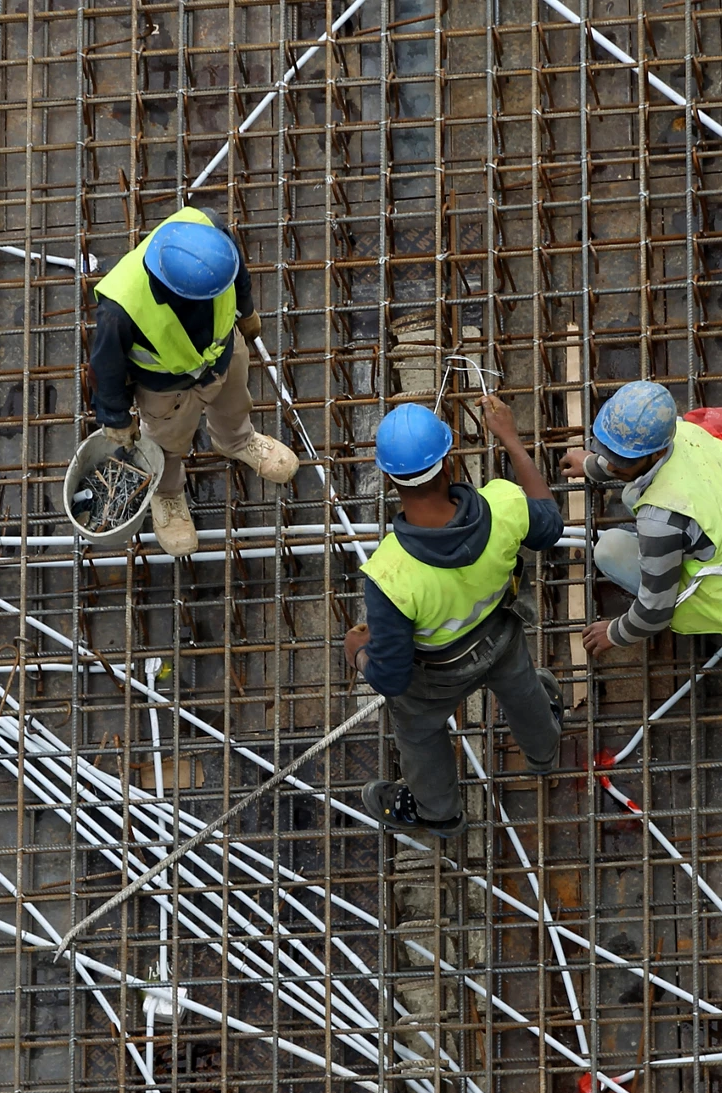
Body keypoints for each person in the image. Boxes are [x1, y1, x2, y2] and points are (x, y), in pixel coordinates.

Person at [343, 396, 566, 837]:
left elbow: (389, 677)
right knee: (524, 689)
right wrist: (512, 441)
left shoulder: (389, 575)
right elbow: (550, 523)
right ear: (448, 462)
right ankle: (545, 754)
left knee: (420, 733)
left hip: (435, 675)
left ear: (388, 478)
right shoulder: (503, 502)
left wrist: (358, 655)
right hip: (501, 637)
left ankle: (440, 814)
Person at [89, 207, 298, 557]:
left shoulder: (209, 229)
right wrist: (116, 418)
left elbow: (237, 272)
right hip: (166, 388)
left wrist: (245, 311)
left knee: (234, 406)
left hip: (223, 354)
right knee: (166, 443)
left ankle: (237, 441)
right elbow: (105, 366)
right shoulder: (119, 308)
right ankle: (167, 493)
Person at [560, 381, 722, 655]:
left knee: (608, 549)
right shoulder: (684, 431)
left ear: (657, 452)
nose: (611, 463)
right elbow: (632, 460)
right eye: (605, 451)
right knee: (632, 493)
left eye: (621, 459)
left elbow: (654, 613)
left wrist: (614, 633)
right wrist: (593, 464)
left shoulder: (660, 519)